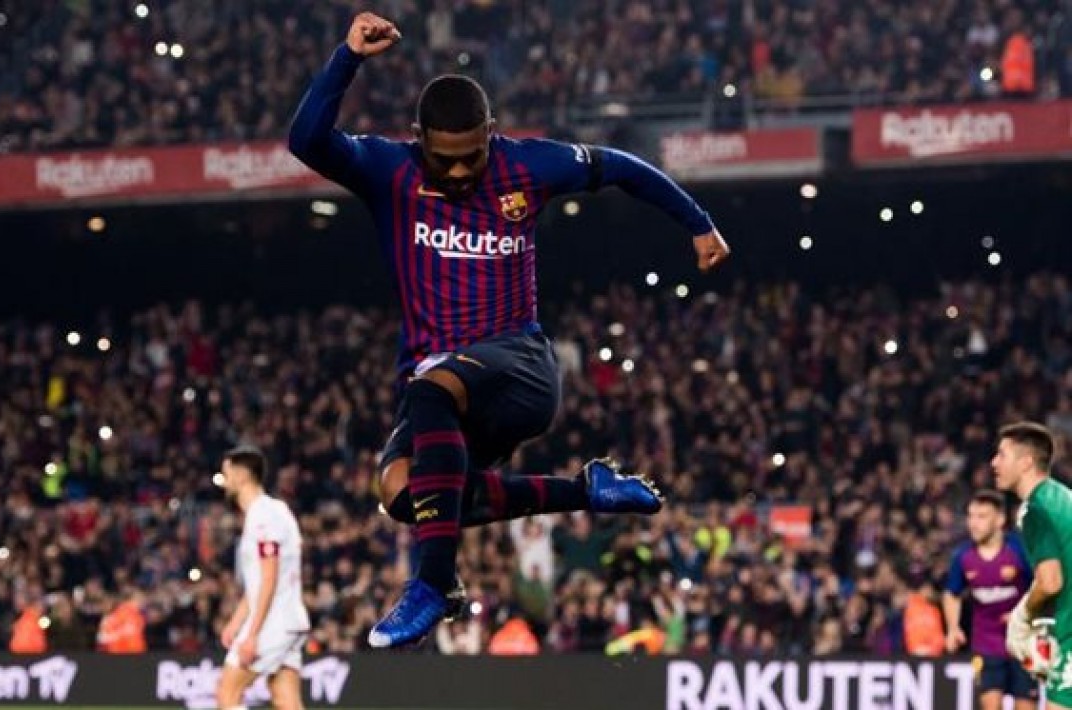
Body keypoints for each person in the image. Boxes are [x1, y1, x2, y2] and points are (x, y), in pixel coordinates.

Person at [289, 11, 730, 649]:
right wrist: (346, 58)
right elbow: (306, 140)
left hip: (519, 367)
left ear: (491, 134)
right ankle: (586, 490)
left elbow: (622, 167)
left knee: (431, 391)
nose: (460, 173)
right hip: (444, 387)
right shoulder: (389, 171)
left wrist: (698, 223)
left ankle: (433, 583)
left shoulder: (527, 167)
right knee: (403, 496)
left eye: (472, 157)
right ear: (418, 139)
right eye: (446, 160)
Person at [216, 446, 309, 710]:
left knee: (228, 693)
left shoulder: (263, 515)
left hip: (274, 621)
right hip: (288, 619)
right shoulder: (274, 511)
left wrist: (252, 634)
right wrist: (236, 622)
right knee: (285, 700)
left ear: (242, 475)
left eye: (227, 474)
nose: (224, 481)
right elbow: (259, 581)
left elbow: (270, 577)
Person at [993, 422, 1072, 708]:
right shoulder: (1063, 497)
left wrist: (1021, 615)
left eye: (1002, 455)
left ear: (1026, 463)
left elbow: (1051, 582)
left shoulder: (1035, 510)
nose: (994, 463)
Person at [944, 490, 1037, 710]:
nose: (973, 523)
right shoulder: (963, 557)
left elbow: (1042, 585)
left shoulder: (1019, 550)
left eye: (982, 516)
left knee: (1025, 705)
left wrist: (1023, 613)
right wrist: (953, 627)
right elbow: (951, 593)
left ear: (1000, 519)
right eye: (971, 516)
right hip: (986, 643)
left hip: (1023, 642)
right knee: (990, 704)